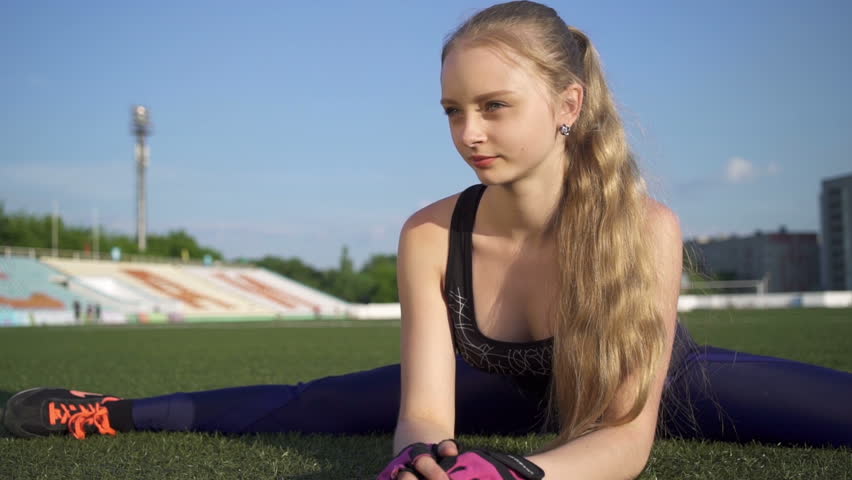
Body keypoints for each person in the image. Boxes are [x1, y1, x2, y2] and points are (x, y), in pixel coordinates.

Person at [3, 2, 851, 479]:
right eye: (453, 109)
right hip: (498, 392)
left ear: (567, 105)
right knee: (314, 402)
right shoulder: (430, 233)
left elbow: (623, 441)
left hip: (654, 386)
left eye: (494, 106)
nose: (468, 132)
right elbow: (426, 412)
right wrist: (422, 459)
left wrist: (522, 474)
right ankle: (105, 411)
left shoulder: (645, 231)